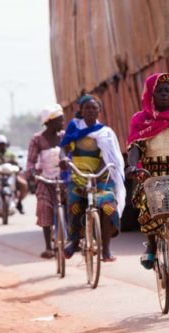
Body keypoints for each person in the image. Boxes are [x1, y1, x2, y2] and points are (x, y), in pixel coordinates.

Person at [126, 73, 169, 272]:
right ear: (150, 94)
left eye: (168, 90)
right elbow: (134, 147)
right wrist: (131, 165)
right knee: (148, 205)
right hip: (151, 174)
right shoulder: (140, 119)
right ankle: (152, 245)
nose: (164, 94)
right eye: (159, 91)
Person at [60, 94, 125, 262]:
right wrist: (63, 158)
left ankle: (106, 250)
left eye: (94, 108)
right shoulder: (74, 127)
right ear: (81, 110)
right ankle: (74, 241)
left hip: (100, 176)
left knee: (107, 205)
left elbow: (109, 157)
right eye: (87, 108)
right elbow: (64, 147)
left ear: (99, 111)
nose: (90, 111)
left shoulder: (105, 132)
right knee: (74, 202)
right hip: (78, 175)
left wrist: (99, 174)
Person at [26, 104, 65, 259]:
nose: (62, 123)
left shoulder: (64, 137)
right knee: (44, 208)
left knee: (75, 204)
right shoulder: (37, 139)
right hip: (45, 180)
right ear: (49, 122)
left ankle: (76, 239)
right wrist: (32, 172)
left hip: (63, 179)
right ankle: (48, 247)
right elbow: (31, 161)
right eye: (59, 120)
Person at [0, 134, 28, 213]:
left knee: (24, 184)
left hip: (11, 176)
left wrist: (18, 166)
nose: (2, 146)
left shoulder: (11, 154)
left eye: (3, 144)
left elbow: (16, 163)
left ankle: (19, 203)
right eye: (0, 144)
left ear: (6, 145)